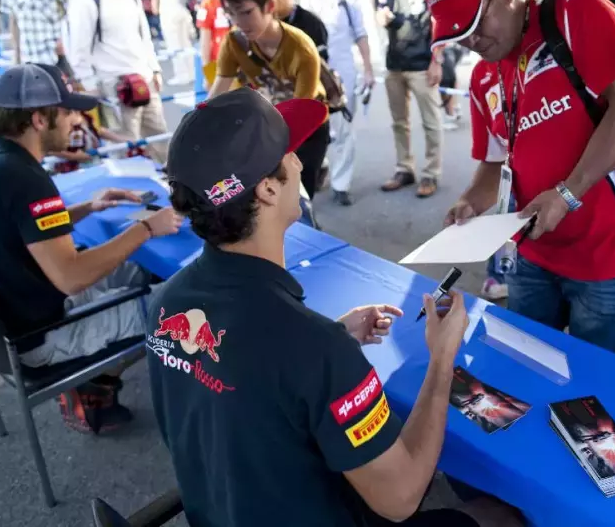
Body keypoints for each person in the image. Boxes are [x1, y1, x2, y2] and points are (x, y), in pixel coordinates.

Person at [149, 88, 521, 527]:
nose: (301, 163)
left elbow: (241, 381)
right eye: (289, 155)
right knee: (501, 515)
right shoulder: (314, 347)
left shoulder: (167, 302)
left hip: (225, 507)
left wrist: (335, 339)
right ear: (268, 189)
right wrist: (442, 358)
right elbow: (400, 498)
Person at [434, 0, 615, 357]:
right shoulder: (483, 75)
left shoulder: (575, 11)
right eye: (460, 36)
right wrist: (470, 202)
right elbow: (494, 164)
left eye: (476, 23)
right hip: (530, 252)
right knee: (525, 369)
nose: (474, 41)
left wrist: (567, 193)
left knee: (594, 384)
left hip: (606, 254)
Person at [0, 63, 182, 428]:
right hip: (41, 337)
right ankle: (93, 388)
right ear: (39, 119)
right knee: (182, 303)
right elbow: (72, 278)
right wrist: (147, 229)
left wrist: (88, 207)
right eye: (68, 111)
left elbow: (18, 229)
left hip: (6, 323)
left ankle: (97, 382)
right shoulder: (27, 179)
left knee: (139, 270)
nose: (77, 119)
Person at [477, 0, 568, 302]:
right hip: (518, 178)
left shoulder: (563, 41)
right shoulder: (492, 65)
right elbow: (491, 152)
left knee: (507, 217)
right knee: (508, 217)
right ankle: (497, 273)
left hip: (525, 179)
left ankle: (496, 274)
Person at [208, 0, 331, 201]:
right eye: (231, 13)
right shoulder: (233, 43)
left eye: (246, 12)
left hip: (308, 128)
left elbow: (299, 115)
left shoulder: (302, 48)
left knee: (295, 200)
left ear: (269, 5)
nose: (239, 22)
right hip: (269, 125)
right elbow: (216, 96)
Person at [66, 0, 168, 162]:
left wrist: (154, 68)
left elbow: (143, 36)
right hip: (114, 87)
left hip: (144, 81)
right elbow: (78, 50)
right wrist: (91, 86)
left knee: (160, 144)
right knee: (125, 153)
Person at [297, 0, 376, 206]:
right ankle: (320, 172)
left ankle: (341, 184)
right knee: (314, 130)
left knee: (343, 130)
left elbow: (361, 33)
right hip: (309, 77)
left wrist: (368, 68)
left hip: (342, 74)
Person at [375, 0, 444, 199]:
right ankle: (405, 168)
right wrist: (382, 17)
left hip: (422, 62)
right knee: (399, 122)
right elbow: (380, 10)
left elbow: (440, 19)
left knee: (431, 121)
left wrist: (437, 59)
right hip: (395, 62)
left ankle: (431, 173)